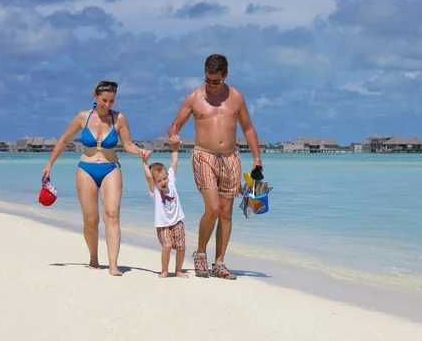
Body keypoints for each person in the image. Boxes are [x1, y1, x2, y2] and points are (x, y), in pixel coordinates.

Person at [168, 54, 263, 280]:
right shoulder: (194, 98)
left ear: (225, 76)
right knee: (212, 208)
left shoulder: (236, 98)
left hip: (231, 158)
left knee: (226, 212)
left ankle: (219, 262)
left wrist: (257, 158)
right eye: (208, 80)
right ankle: (200, 253)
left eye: (216, 81)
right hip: (204, 156)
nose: (211, 86)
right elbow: (175, 124)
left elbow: (248, 129)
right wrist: (173, 136)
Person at [42, 80, 151, 276]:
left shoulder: (119, 119)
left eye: (111, 101)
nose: (107, 105)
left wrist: (140, 151)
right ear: (95, 95)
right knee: (91, 220)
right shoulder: (82, 117)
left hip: (111, 168)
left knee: (112, 214)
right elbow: (64, 140)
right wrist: (50, 164)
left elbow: (128, 145)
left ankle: (113, 265)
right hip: (86, 169)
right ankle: (93, 257)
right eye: (104, 100)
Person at [141, 145, 188, 278]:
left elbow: (174, 162)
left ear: (168, 175)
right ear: (155, 182)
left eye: (164, 178)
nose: (163, 182)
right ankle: (164, 270)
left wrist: (175, 150)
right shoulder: (154, 191)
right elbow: (149, 178)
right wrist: (144, 163)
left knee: (181, 247)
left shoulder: (171, 181)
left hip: (177, 221)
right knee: (167, 246)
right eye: (159, 180)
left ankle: (178, 270)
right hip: (163, 225)